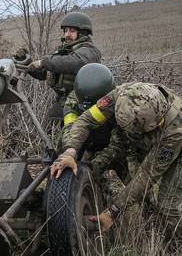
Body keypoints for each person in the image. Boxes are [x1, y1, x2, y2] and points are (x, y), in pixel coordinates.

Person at [52, 82, 182, 241]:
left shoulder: (175, 131)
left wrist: (113, 212)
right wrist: (70, 151)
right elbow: (87, 119)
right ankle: (151, 224)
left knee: (168, 203)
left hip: (176, 147)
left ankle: (175, 242)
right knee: (140, 191)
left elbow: (147, 175)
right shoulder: (122, 95)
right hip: (141, 139)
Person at [61, 63, 127, 196]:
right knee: (64, 161)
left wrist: (94, 166)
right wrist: (69, 154)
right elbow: (70, 130)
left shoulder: (119, 102)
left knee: (128, 178)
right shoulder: (73, 100)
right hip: (85, 138)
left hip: (114, 143)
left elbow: (118, 145)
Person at [27, 12, 102, 118]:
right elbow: (44, 74)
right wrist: (28, 64)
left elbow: (77, 63)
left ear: (83, 33)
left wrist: (44, 62)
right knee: (52, 125)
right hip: (64, 101)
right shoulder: (65, 51)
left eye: (72, 31)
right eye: (66, 31)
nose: (67, 34)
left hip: (84, 105)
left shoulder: (89, 51)